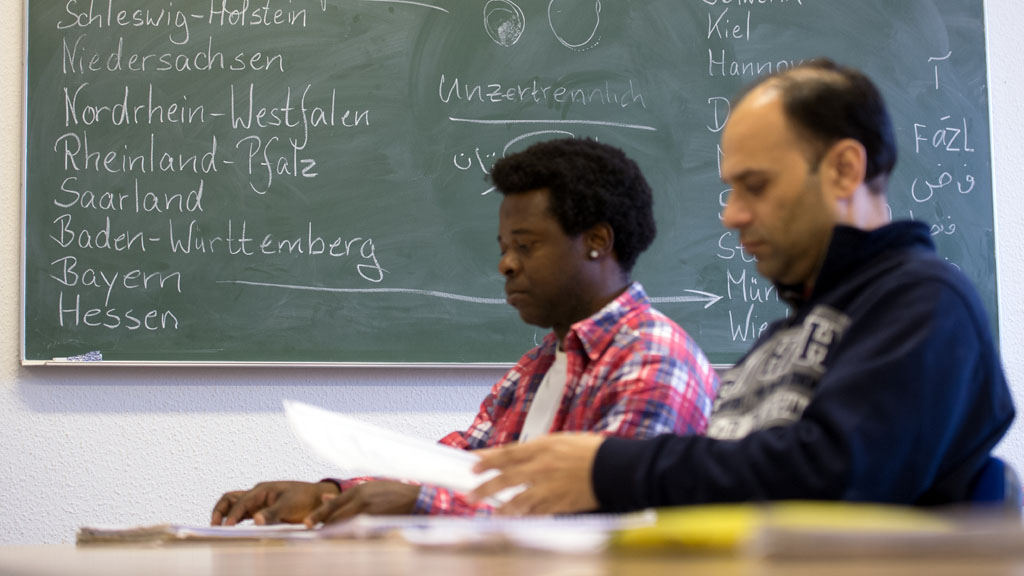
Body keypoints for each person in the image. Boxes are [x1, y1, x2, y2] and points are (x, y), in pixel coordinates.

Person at [469, 59, 1016, 515]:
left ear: (845, 170)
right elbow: (718, 480)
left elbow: (837, 475)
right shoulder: (782, 337)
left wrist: (606, 469)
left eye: (755, 185)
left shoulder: (924, 303)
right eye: (731, 189)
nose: (731, 215)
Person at [210, 138, 719, 526]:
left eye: (526, 245)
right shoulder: (541, 363)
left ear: (596, 242)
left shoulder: (654, 358)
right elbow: (460, 465)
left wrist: (420, 505)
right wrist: (333, 495)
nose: (505, 264)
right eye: (504, 245)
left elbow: (609, 517)